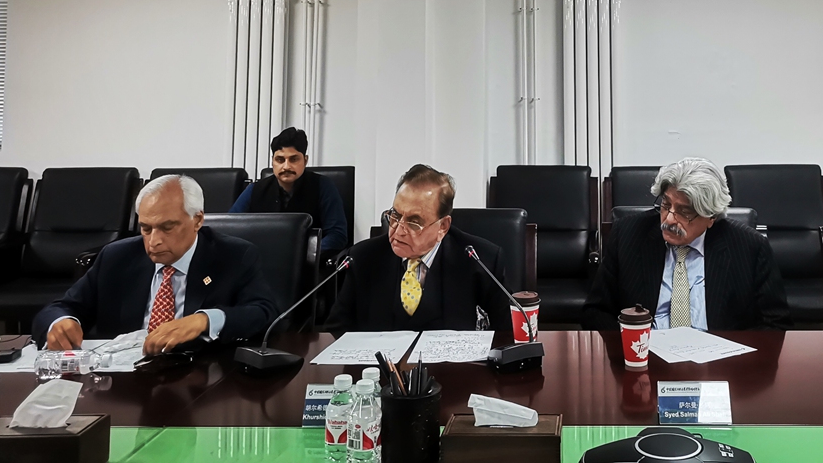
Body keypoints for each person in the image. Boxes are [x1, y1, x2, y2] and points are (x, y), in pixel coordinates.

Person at [33, 175, 278, 355]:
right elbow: (59, 308)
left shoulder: (233, 255)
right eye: (146, 228)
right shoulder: (116, 257)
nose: (154, 241)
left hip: (199, 378)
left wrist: (203, 320)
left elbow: (264, 312)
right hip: (122, 384)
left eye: (167, 227)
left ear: (197, 220)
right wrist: (61, 324)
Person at [582, 157, 790, 331]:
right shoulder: (628, 235)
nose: (669, 219)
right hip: (645, 361)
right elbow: (595, 312)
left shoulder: (749, 247)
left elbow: (775, 322)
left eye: (685, 212)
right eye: (665, 205)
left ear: (711, 217)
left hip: (721, 367)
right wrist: (631, 344)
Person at [325, 164, 512, 334]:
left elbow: (506, 334)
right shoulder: (362, 258)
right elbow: (336, 330)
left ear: (443, 227)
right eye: (395, 215)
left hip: (452, 369)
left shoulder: (480, 260)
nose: (398, 230)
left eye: (414, 222)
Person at [230, 127, 349, 258]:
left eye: (294, 159)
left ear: (305, 160)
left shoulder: (323, 186)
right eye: (280, 160)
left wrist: (305, 253)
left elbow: (337, 235)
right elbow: (230, 228)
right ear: (272, 161)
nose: (286, 166)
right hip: (263, 263)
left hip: (308, 264)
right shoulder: (255, 189)